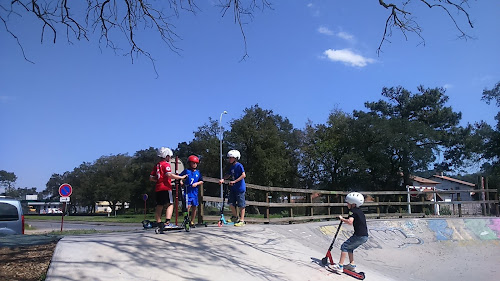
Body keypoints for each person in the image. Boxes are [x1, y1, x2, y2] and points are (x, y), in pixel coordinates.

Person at [149, 147, 187, 233]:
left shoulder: (157, 165)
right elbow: (169, 174)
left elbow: (151, 178)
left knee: (159, 205)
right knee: (170, 204)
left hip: (158, 188)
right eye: (169, 156)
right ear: (166, 156)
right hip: (166, 187)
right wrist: (180, 177)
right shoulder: (166, 164)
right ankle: (167, 222)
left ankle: (159, 223)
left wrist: (159, 180)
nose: (170, 158)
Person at [333, 192, 368, 272]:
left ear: (352, 203)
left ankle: (340, 266)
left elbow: (350, 221)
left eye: (348, 202)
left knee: (344, 246)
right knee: (350, 248)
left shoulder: (352, 211)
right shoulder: (359, 211)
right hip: (364, 236)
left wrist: (342, 219)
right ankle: (352, 265)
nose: (347, 204)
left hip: (359, 235)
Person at [218, 149, 246, 227]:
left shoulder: (239, 165)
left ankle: (242, 220)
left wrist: (235, 181)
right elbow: (228, 174)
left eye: (231, 157)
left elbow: (243, 175)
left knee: (241, 204)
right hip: (233, 188)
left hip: (240, 188)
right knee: (231, 203)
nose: (230, 159)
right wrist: (223, 179)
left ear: (236, 158)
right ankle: (235, 217)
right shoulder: (232, 167)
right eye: (229, 158)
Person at [179, 155, 204, 227]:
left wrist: (196, 183)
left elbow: (201, 181)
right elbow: (180, 177)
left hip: (194, 193)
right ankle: (186, 219)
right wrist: (181, 181)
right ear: (189, 163)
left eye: (196, 163)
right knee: (188, 206)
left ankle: (192, 221)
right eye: (193, 163)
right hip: (187, 192)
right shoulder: (186, 171)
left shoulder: (198, 172)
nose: (195, 165)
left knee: (194, 207)